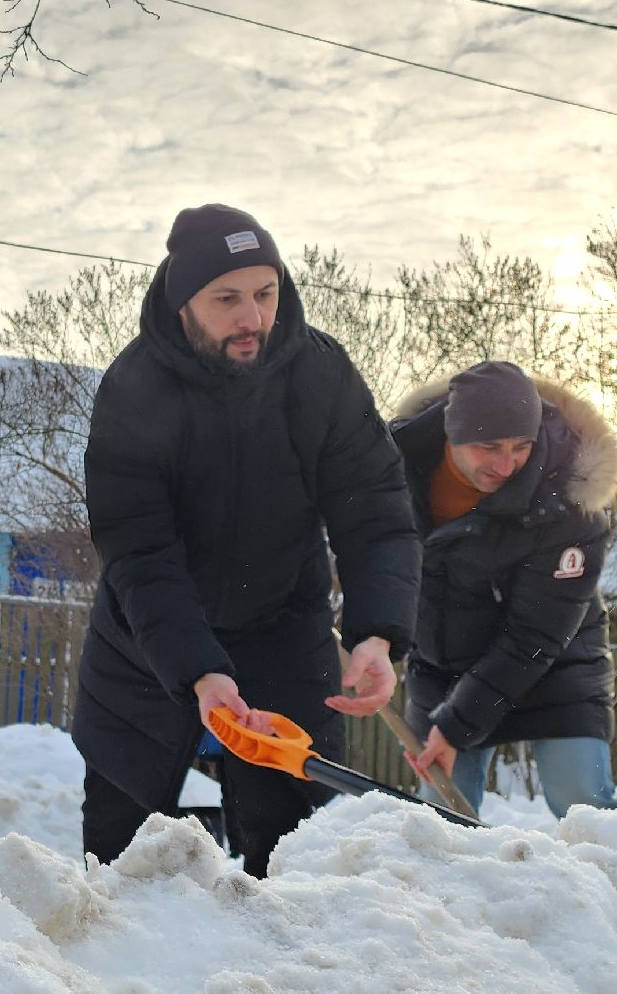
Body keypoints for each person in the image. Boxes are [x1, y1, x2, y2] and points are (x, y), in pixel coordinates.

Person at [75, 204, 420, 876]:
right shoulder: (132, 390)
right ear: (183, 304)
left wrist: (378, 632)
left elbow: (374, 509)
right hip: (149, 643)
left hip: (281, 627)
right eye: (226, 299)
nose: (252, 318)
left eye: (265, 294)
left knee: (288, 846)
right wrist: (199, 669)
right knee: (118, 843)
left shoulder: (320, 375)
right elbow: (138, 548)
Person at [392, 361, 617, 817]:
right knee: (441, 817)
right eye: (489, 447)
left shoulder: (569, 505)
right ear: (450, 434)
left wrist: (457, 724)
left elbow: (534, 637)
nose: (506, 465)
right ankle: (447, 891)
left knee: (583, 802)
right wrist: (375, 640)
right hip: (445, 666)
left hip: (553, 666)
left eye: (521, 446)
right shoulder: (392, 475)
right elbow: (377, 565)